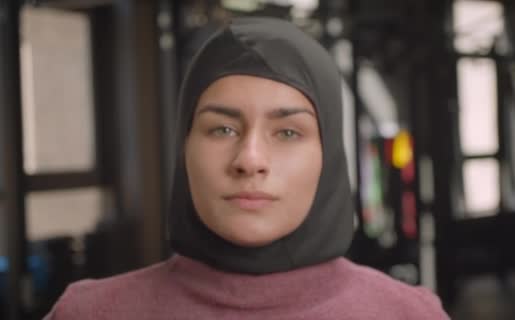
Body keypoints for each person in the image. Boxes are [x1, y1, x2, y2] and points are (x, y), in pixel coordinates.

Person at [44, 17, 450, 319]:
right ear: (184, 146)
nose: (249, 160)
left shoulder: (408, 315)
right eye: (221, 129)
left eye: (288, 133)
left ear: (328, 157)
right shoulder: (89, 314)